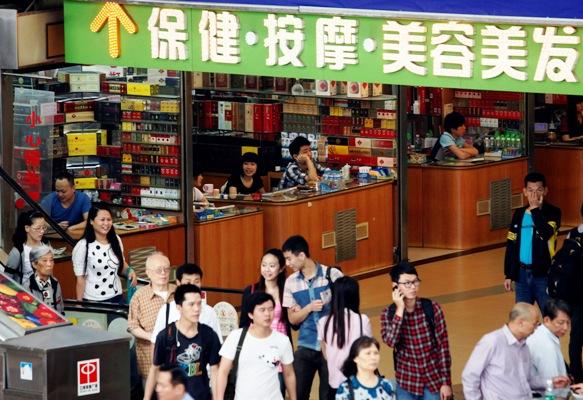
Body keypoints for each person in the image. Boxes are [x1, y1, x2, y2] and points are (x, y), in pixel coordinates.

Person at [462, 303, 569, 400]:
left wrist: (551, 383)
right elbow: (469, 377)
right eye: (535, 324)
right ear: (521, 322)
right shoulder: (492, 341)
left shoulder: (524, 347)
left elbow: (527, 380)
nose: (536, 328)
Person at [282, 235, 343, 400]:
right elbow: (292, 319)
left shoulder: (332, 275)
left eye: (289, 259)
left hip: (330, 347)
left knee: (328, 396)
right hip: (305, 345)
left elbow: (345, 309)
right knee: (298, 394)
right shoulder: (291, 282)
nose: (287, 264)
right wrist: (308, 308)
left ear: (301, 255)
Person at [380, 261, 452, 400]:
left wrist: (446, 382)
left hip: (432, 380)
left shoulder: (432, 308)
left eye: (415, 282)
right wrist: (399, 310)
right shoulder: (388, 313)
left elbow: (443, 348)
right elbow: (391, 341)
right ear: (395, 286)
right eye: (407, 283)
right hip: (407, 382)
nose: (413, 287)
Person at [145, 284, 221, 400]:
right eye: (191, 304)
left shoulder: (209, 335)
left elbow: (215, 370)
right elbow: (155, 369)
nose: (196, 309)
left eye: (199, 303)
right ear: (179, 307)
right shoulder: (165, 336)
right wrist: (146, 398)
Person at [216, 292, 296, 400]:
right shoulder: (236, 337)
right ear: (250, 314)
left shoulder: (282, 340)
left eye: (271, 309)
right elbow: (223, 371)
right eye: (262, 310)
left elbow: (289, 374)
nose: (267, 314)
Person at [503, 172, 561, 311]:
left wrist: (535, 210)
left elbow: (546, 233)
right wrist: (509, 274)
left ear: (545, 191)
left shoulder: (553, 212)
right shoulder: (518, 214)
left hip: (543, 275)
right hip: (521, 276)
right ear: (524, 192)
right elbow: (511, 244)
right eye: (530, 190)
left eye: (539, 190)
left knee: (550, 318)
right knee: (522, 320)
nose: (534, 195)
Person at [317, 276, 372, 399]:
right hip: (359, 383)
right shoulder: (362, 320)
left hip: (335, 384)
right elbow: (369, 351)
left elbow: (326, 354)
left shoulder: (323, 323)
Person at [72, 204, 137, 303]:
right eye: (102, 220)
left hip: (117, 297)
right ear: (91, 221)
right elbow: (80, 280)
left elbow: (121, 263)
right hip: (93, 301)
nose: (106, 223)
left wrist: (130, 271)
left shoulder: (116, 239)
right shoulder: (83, 246)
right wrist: (79, 305)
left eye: (109, 219)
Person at [128, 252, 177, 382]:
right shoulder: (139, 296)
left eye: (166, 269)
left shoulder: (178, 292)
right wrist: (152, 337)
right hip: (149, 358)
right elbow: (133, 326)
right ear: (148, 273)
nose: (163, 273)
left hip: (177, 358)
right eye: (158, 270)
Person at [151, 263, 222, 344]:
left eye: (197, 281)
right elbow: (155, 342)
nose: (192, 285)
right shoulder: (167, 310)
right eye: (188, 282)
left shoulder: (210, 312)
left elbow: (217, 343)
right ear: (178, 282)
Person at [240, 248, 292, 339]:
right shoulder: (250, 291)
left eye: (272, 266)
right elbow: (244, 323)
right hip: (257, 341)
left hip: (280, 341)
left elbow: (294, 324)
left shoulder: (287, 291)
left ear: (281, 269)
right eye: (264, 265)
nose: (267, 269)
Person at [526, 299, 572, 396]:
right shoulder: (546, 346)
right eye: (561, 322)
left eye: (568, 323)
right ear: (547, 320)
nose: (565, 328)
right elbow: (552, 385)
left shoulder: (542, 332)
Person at [5, 210, 49, 284]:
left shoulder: (46, 244)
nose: (42, 231)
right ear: (27, 228)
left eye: (43, 227)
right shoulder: (18, 251)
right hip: (26, 293)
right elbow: (7, 281)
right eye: (38, 228)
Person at [22, 245, 64, 314]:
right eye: (45, 260)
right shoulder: (27, 287)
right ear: (34, 264)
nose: (49, 264)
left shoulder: (55, 282)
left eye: (51, 260)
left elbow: (61, 310)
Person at [568, 202, 583, 382]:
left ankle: (576, 374)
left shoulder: (573, 234)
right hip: (579, 295)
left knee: (576, 336)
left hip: (576, 295)